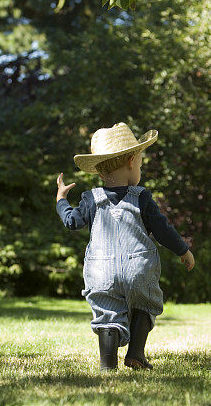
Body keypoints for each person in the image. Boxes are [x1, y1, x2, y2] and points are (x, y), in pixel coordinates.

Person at [56, 122, 195, 372]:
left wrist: (61, 201)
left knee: (107, 314)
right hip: (138, 268)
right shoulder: (141, 197)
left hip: (101, 271)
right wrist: (183, 250)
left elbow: (71, 222)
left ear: (99, 172)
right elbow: (162, 229)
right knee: (145, 303)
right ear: (132, 161)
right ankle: (135, 354)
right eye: (140, 163)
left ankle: (108, 365)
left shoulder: (90, 198)